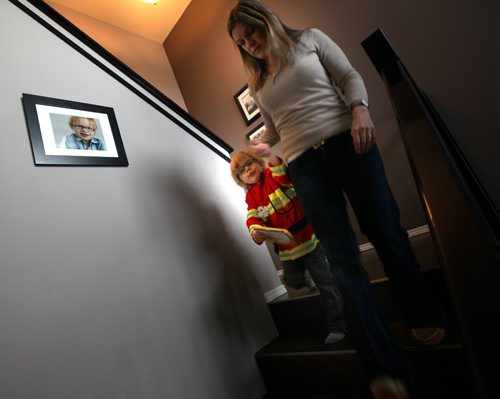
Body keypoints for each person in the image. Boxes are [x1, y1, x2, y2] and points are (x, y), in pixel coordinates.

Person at [227, 1, 446, 398]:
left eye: (251, 33)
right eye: (242, 43)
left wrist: (360, 111)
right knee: (342, 260)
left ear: (266, 21)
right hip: (304, 166)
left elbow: (348, 77)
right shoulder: (260, 86)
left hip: (348, 143)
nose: (250, 44)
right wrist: (264, 145)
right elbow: (276, 128)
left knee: (385, 232)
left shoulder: (309, 39)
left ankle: (421, 313)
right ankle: (385, 368)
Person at [230, 146, 346, 345]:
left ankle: (338, 324)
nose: (247, 170)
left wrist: (271, 158)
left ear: (258, 163)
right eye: (241, 171)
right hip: (286, 248)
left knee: (326, 283)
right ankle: (306, 279)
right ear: (241, 180)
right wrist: (256, 231)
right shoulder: (251, 196)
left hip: (307, 239)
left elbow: (282, 174)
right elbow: (252, 217)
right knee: (293, 280)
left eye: (249, 164)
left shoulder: (272, 177)